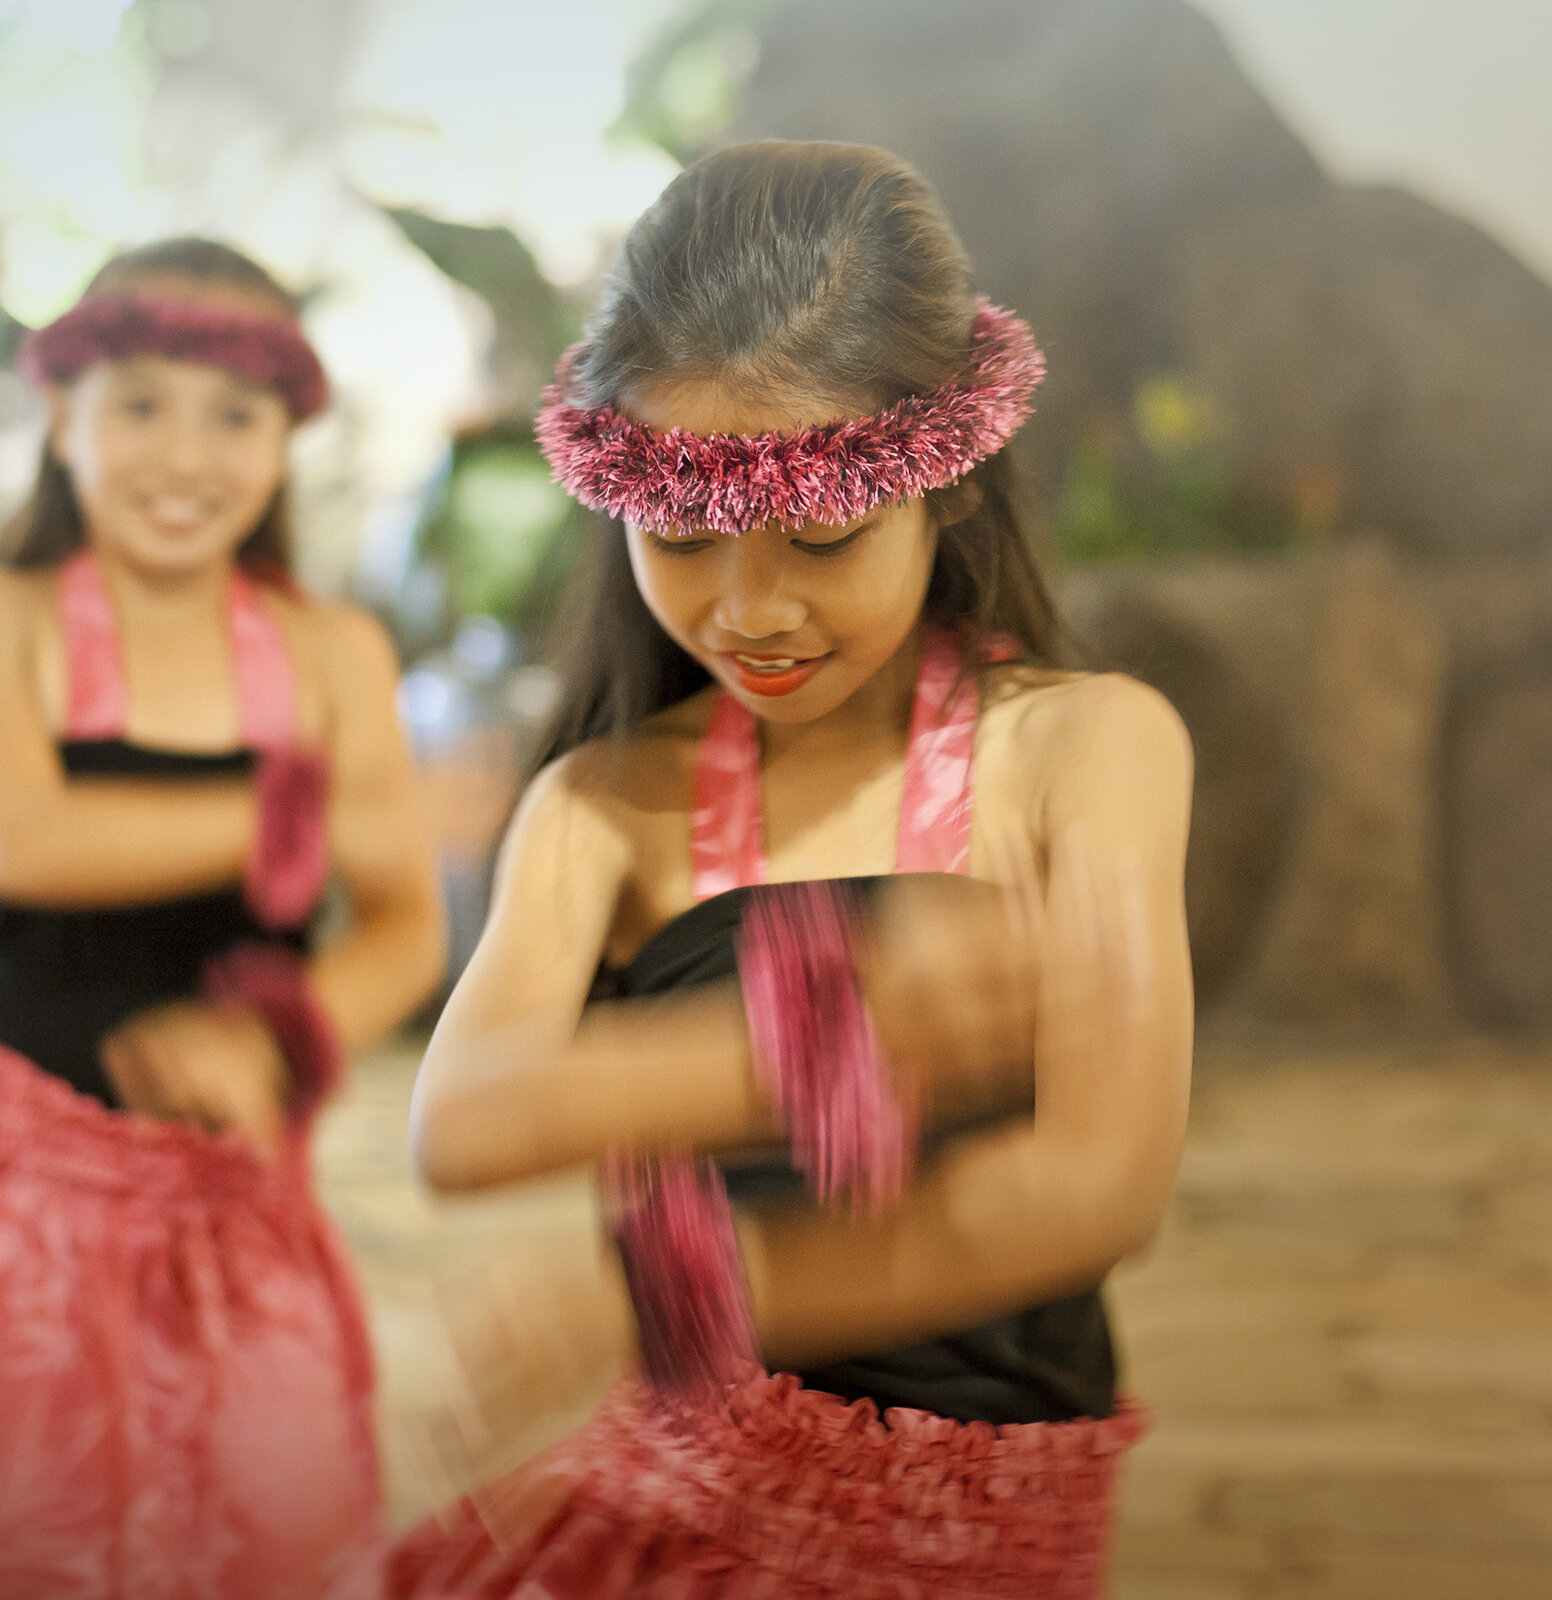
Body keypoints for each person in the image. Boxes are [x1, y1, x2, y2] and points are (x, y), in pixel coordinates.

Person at [370, 141, 1194, 1598]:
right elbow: (465, 1121)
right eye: (681, 538)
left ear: (945, 485)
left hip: (979, 1523)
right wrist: (814, 1037)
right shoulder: (604, 806)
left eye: (821, 534)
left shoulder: (1087, 751)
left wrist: (673, 1292)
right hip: (681, 1498)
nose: (751, 610)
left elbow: (1095, 1188)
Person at [0, 238, 446, 1600]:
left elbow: (404, 924)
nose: (187, 453)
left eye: (234, 414)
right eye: (141, 405)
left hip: (236, 1206)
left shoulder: (334, 651)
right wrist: (303, 808)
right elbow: (37, 846)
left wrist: (279, 1036)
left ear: (289, 436)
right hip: (18, 1203)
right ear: (63, 421)